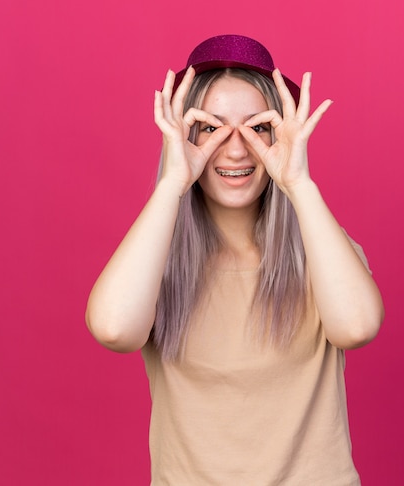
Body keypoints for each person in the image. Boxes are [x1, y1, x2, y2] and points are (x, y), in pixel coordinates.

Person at [86, 34, 384, 485]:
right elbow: (113, 328)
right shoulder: (155, 257)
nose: (237, 148)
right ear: (183, 136)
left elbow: (357, 327)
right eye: (210, 127)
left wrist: (299, 184)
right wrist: (172, 183)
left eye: (257, 127)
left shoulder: (321, 246)